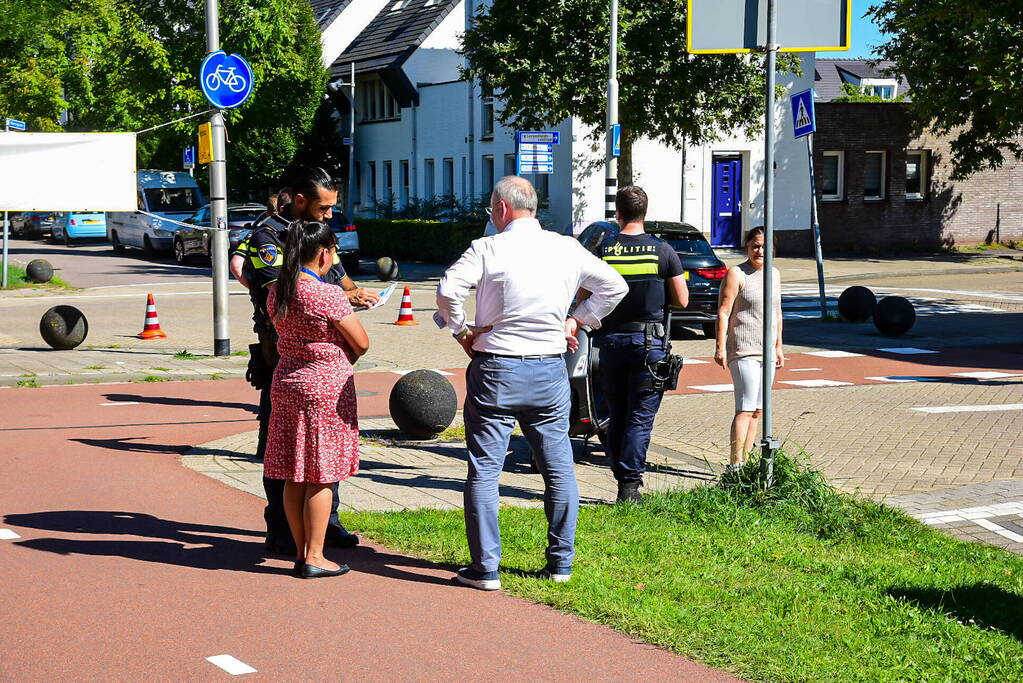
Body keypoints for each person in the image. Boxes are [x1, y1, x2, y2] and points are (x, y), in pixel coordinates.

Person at [436, 176, 627, 591]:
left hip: (497, 368)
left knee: (485, 470)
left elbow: (448, 289)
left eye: (491, 208)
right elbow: (615, 286)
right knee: (558, 469)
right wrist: (578, 319)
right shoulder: (566, 247)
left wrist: (461, 330)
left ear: (501, 209)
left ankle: (485, 568)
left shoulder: (487, 248)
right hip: (548, 370)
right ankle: (561, 562)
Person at [244, 168, 379, 556]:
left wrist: (353, 295)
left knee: (320, 456)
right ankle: (286, 532)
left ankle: (325, 526)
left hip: (311, 347)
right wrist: (337, 302)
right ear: (301, 201)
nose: (329, 215)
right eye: (324, 207)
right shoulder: (269, 235)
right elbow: (278, 286)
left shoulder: (322, 241)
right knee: (286, 451)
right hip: (284, 352)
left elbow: (343, 282)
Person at [265, 220, 369, 578]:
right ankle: (315, 555)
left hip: (287, 380)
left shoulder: (278, 290)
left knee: (295, 471)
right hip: (324, 386)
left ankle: (299, 550)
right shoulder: (327, 294)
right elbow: (362, 342)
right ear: (324, 253)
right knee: (322, 473)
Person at [591, 186, 689, 503]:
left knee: (617, 415)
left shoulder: (604, 251)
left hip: (609, 344)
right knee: (639, 419)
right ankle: (629, 487)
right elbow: (683, 301)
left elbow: (586, 295)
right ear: (644, 213)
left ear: (617, 213)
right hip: (649, 345)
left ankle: (622, 477)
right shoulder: (663, 251)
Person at [713, 226, 785, 471]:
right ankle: (735, 466)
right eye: (755, 246)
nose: (760, 251)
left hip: (767, 352)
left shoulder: (774, 274)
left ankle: (747, 462)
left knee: (757, 410)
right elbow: (723, 311)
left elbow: (777, 312)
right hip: (744, 350)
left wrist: (779, 346)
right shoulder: (737, 274)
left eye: (765, 247)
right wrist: (720, 346)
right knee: (744, 408)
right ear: (747, 246)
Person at [230, 188, 293, 289]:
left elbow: (235, 266)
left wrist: (253, 289)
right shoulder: (298, 232)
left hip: (267, 296)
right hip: (283, 296)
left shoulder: (254, 234)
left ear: (267, 212)